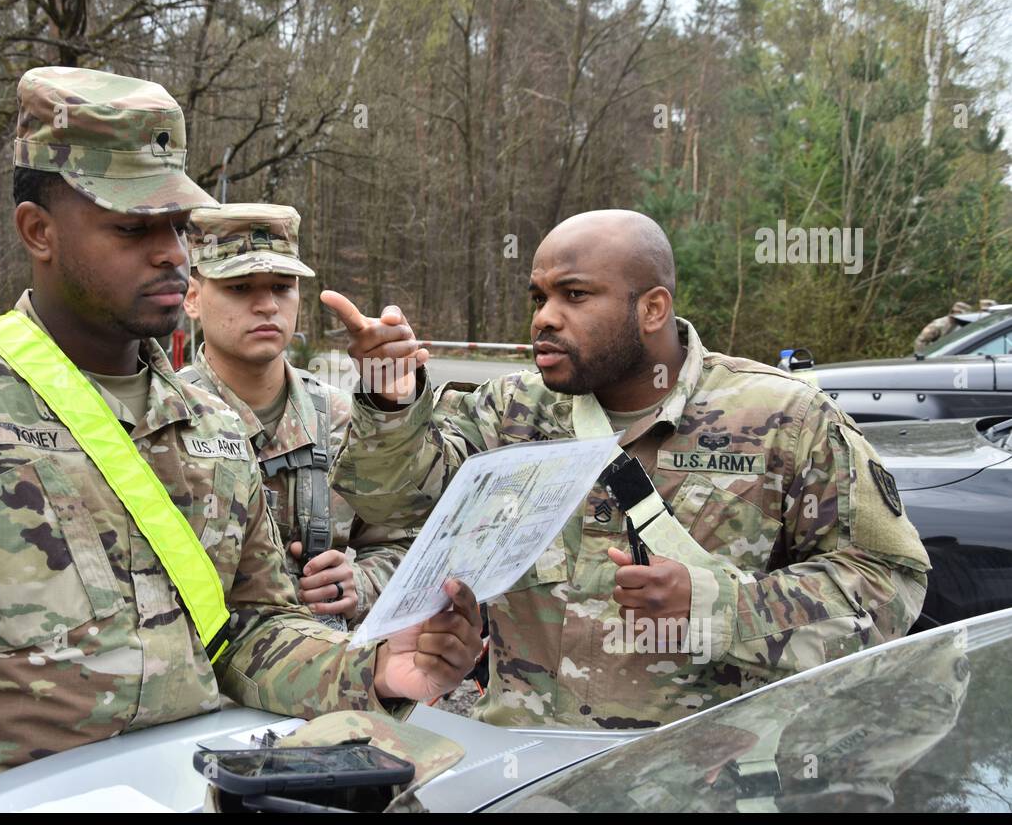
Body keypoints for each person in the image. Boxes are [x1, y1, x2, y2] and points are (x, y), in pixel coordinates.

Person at [0, 66, 480, 811]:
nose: (174, 254)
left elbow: (250, 631)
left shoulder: (208, 423)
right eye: (133, 229)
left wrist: (374, 669)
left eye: (178, 226)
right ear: (38, 232)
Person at [327, 208, 929, 729]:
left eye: (575, 295)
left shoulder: (783, 418)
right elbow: (398, 504)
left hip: (699, 776)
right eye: (539, 298)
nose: (544, 317)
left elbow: (887, 587)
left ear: (652, 308)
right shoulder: (510, 410)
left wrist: (715, 604)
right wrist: (391, 401)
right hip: (526, 768)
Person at [179, 203, 412, 629]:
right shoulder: (165, 420)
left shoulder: (341, 419)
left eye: (283, 287)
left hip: (319, 677)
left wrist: (360, 583)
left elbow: (403, 544)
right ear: (193, 297)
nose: (266, 305)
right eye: (239, 287)